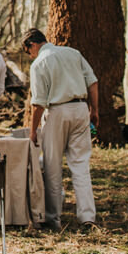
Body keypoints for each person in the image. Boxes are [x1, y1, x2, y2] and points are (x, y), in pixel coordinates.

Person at [23, 28, 98, 228]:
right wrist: (94, 109)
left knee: (52, 166)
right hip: (80, 107)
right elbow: (92, 81)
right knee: (81, 164)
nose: (30, 56)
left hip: (57, 110)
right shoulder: (73, 53)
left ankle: (53, 217)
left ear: (32, 45)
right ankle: (87, 216)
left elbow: (38, 102)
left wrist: (33, 130)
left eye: (28, 52)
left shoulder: (39, 62)